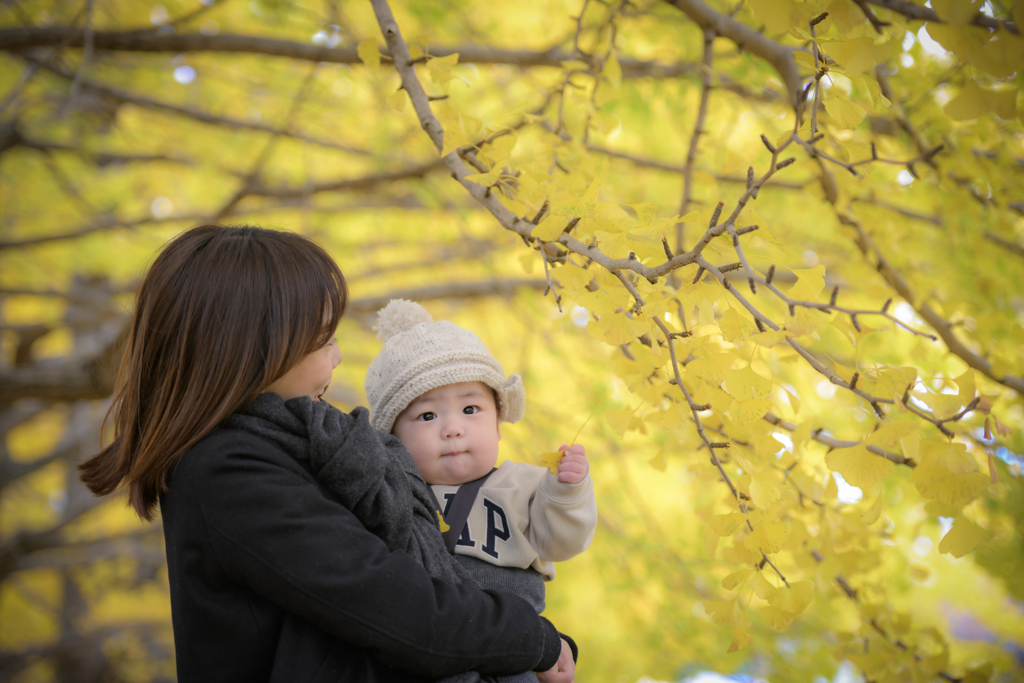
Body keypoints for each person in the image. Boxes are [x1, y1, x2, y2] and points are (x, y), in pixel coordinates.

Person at [77, 225, 576, 683]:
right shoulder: (229, 472)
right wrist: (534, 639)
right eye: (322, 339)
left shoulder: (298, 448)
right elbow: (393, 605)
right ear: (254, 347)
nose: (336, 357)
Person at [365, 299, 598, 623]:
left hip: (513, 635)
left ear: (498, 423)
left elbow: (561, 543)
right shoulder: (387, 495)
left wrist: (566, 493)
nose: (453, 429)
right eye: (427, 415)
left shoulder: (525, 486)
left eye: (470, 409)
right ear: (393, 438)